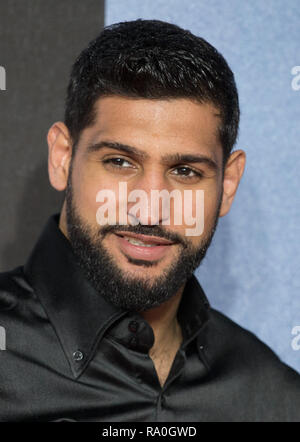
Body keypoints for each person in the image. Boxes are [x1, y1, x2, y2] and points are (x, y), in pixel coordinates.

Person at [0, 19, 299, 422]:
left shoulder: (270, 397)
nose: (149, 209)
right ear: (62, 158)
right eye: (120, 162)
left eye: (185, 172)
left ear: (227, 185)